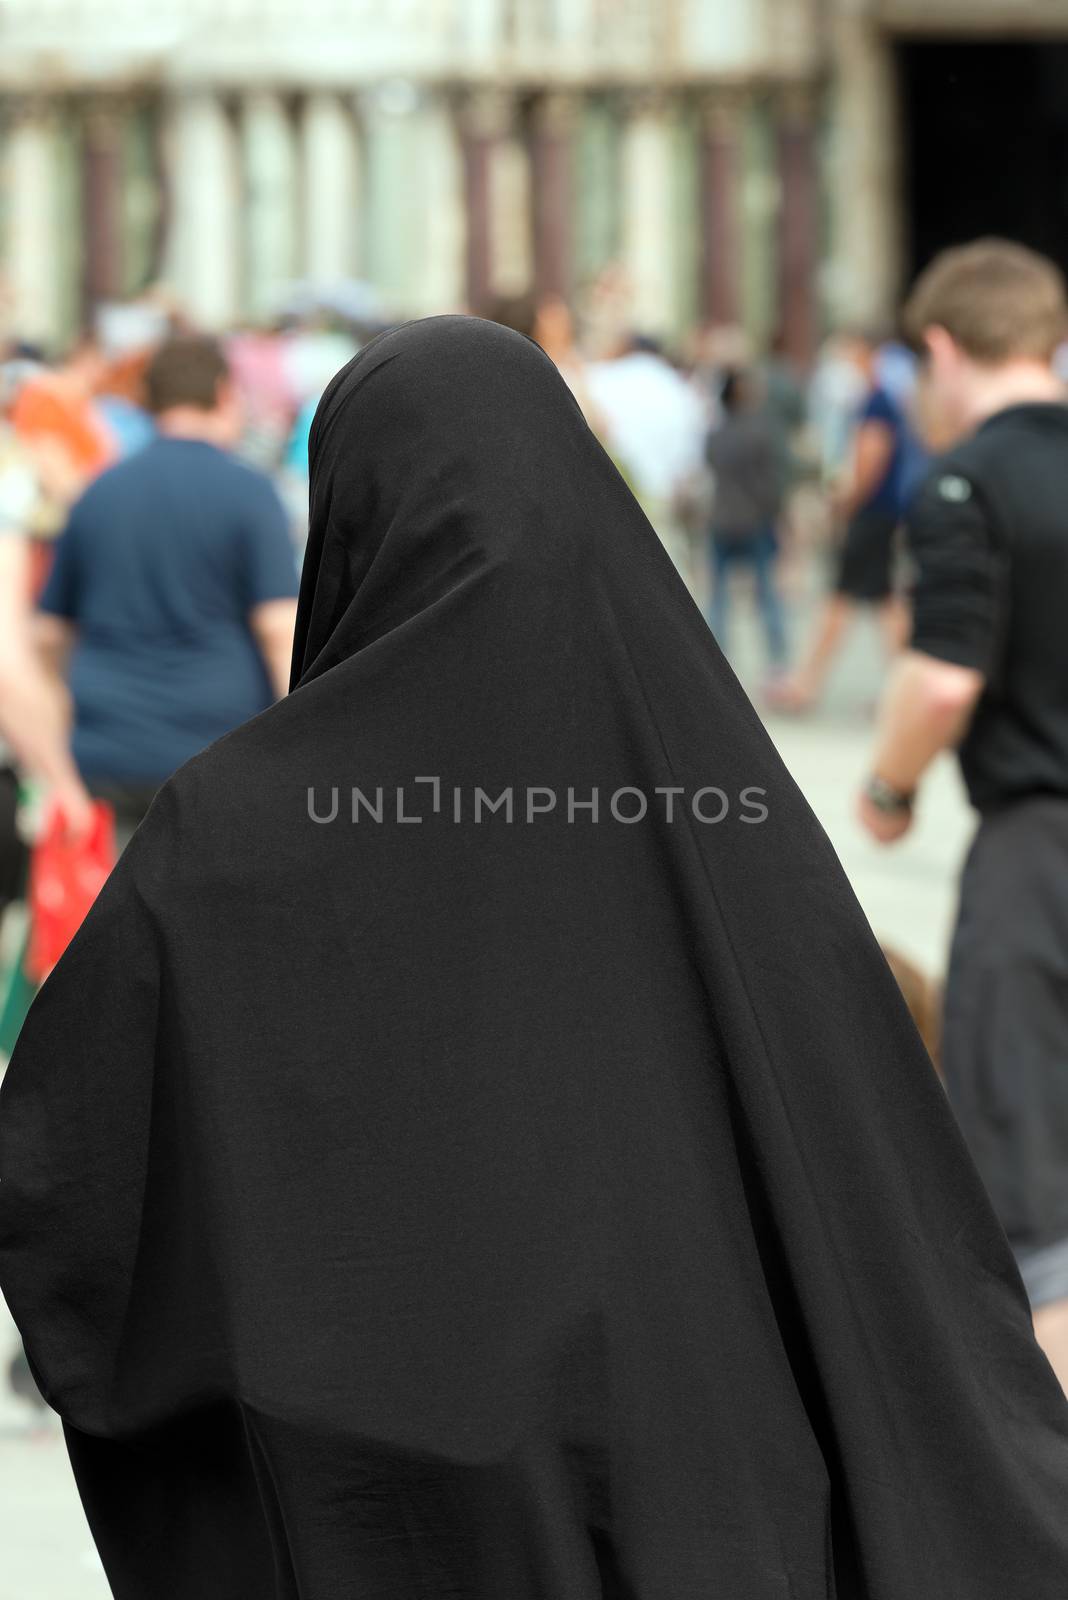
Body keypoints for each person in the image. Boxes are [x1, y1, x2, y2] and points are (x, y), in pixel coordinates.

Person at [2, 317, 1068, 1599]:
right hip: (712, 1471)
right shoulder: (719, 809)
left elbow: (73, 1166)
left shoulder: (231, 831)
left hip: (382, 1503)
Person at [857, 238, 1068, 1396]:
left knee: (1036, 1192)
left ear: (940, 348)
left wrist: (887, 788)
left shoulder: (965, 482)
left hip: (1041, 848)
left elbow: (943, 677)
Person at [35, 335, 298, 846]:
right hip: (217, 748)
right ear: (224, 393)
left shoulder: (98, 493)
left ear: (148, 399)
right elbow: (278, 628)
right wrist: (302, 744)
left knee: (114, 917)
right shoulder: (249, 493)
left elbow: (49, 634)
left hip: (104, 753)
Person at [775, 330, 915, 710]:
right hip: (879, 514)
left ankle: (805, 685)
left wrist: (846, 504)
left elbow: (871, 458)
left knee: (840, 599)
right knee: (883, 604)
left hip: (870, 514)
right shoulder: (878, 400)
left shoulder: (877, 402)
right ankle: (906, 689)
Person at [704, 368, 788, 683]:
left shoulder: (717, 432)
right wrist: (778, 516)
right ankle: (777, 662)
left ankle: (714, 660)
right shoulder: (762, 431)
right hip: (755, 519)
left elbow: (709, 464)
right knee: (767, 594)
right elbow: (772, 481)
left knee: (718, 596)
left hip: (722, 517)